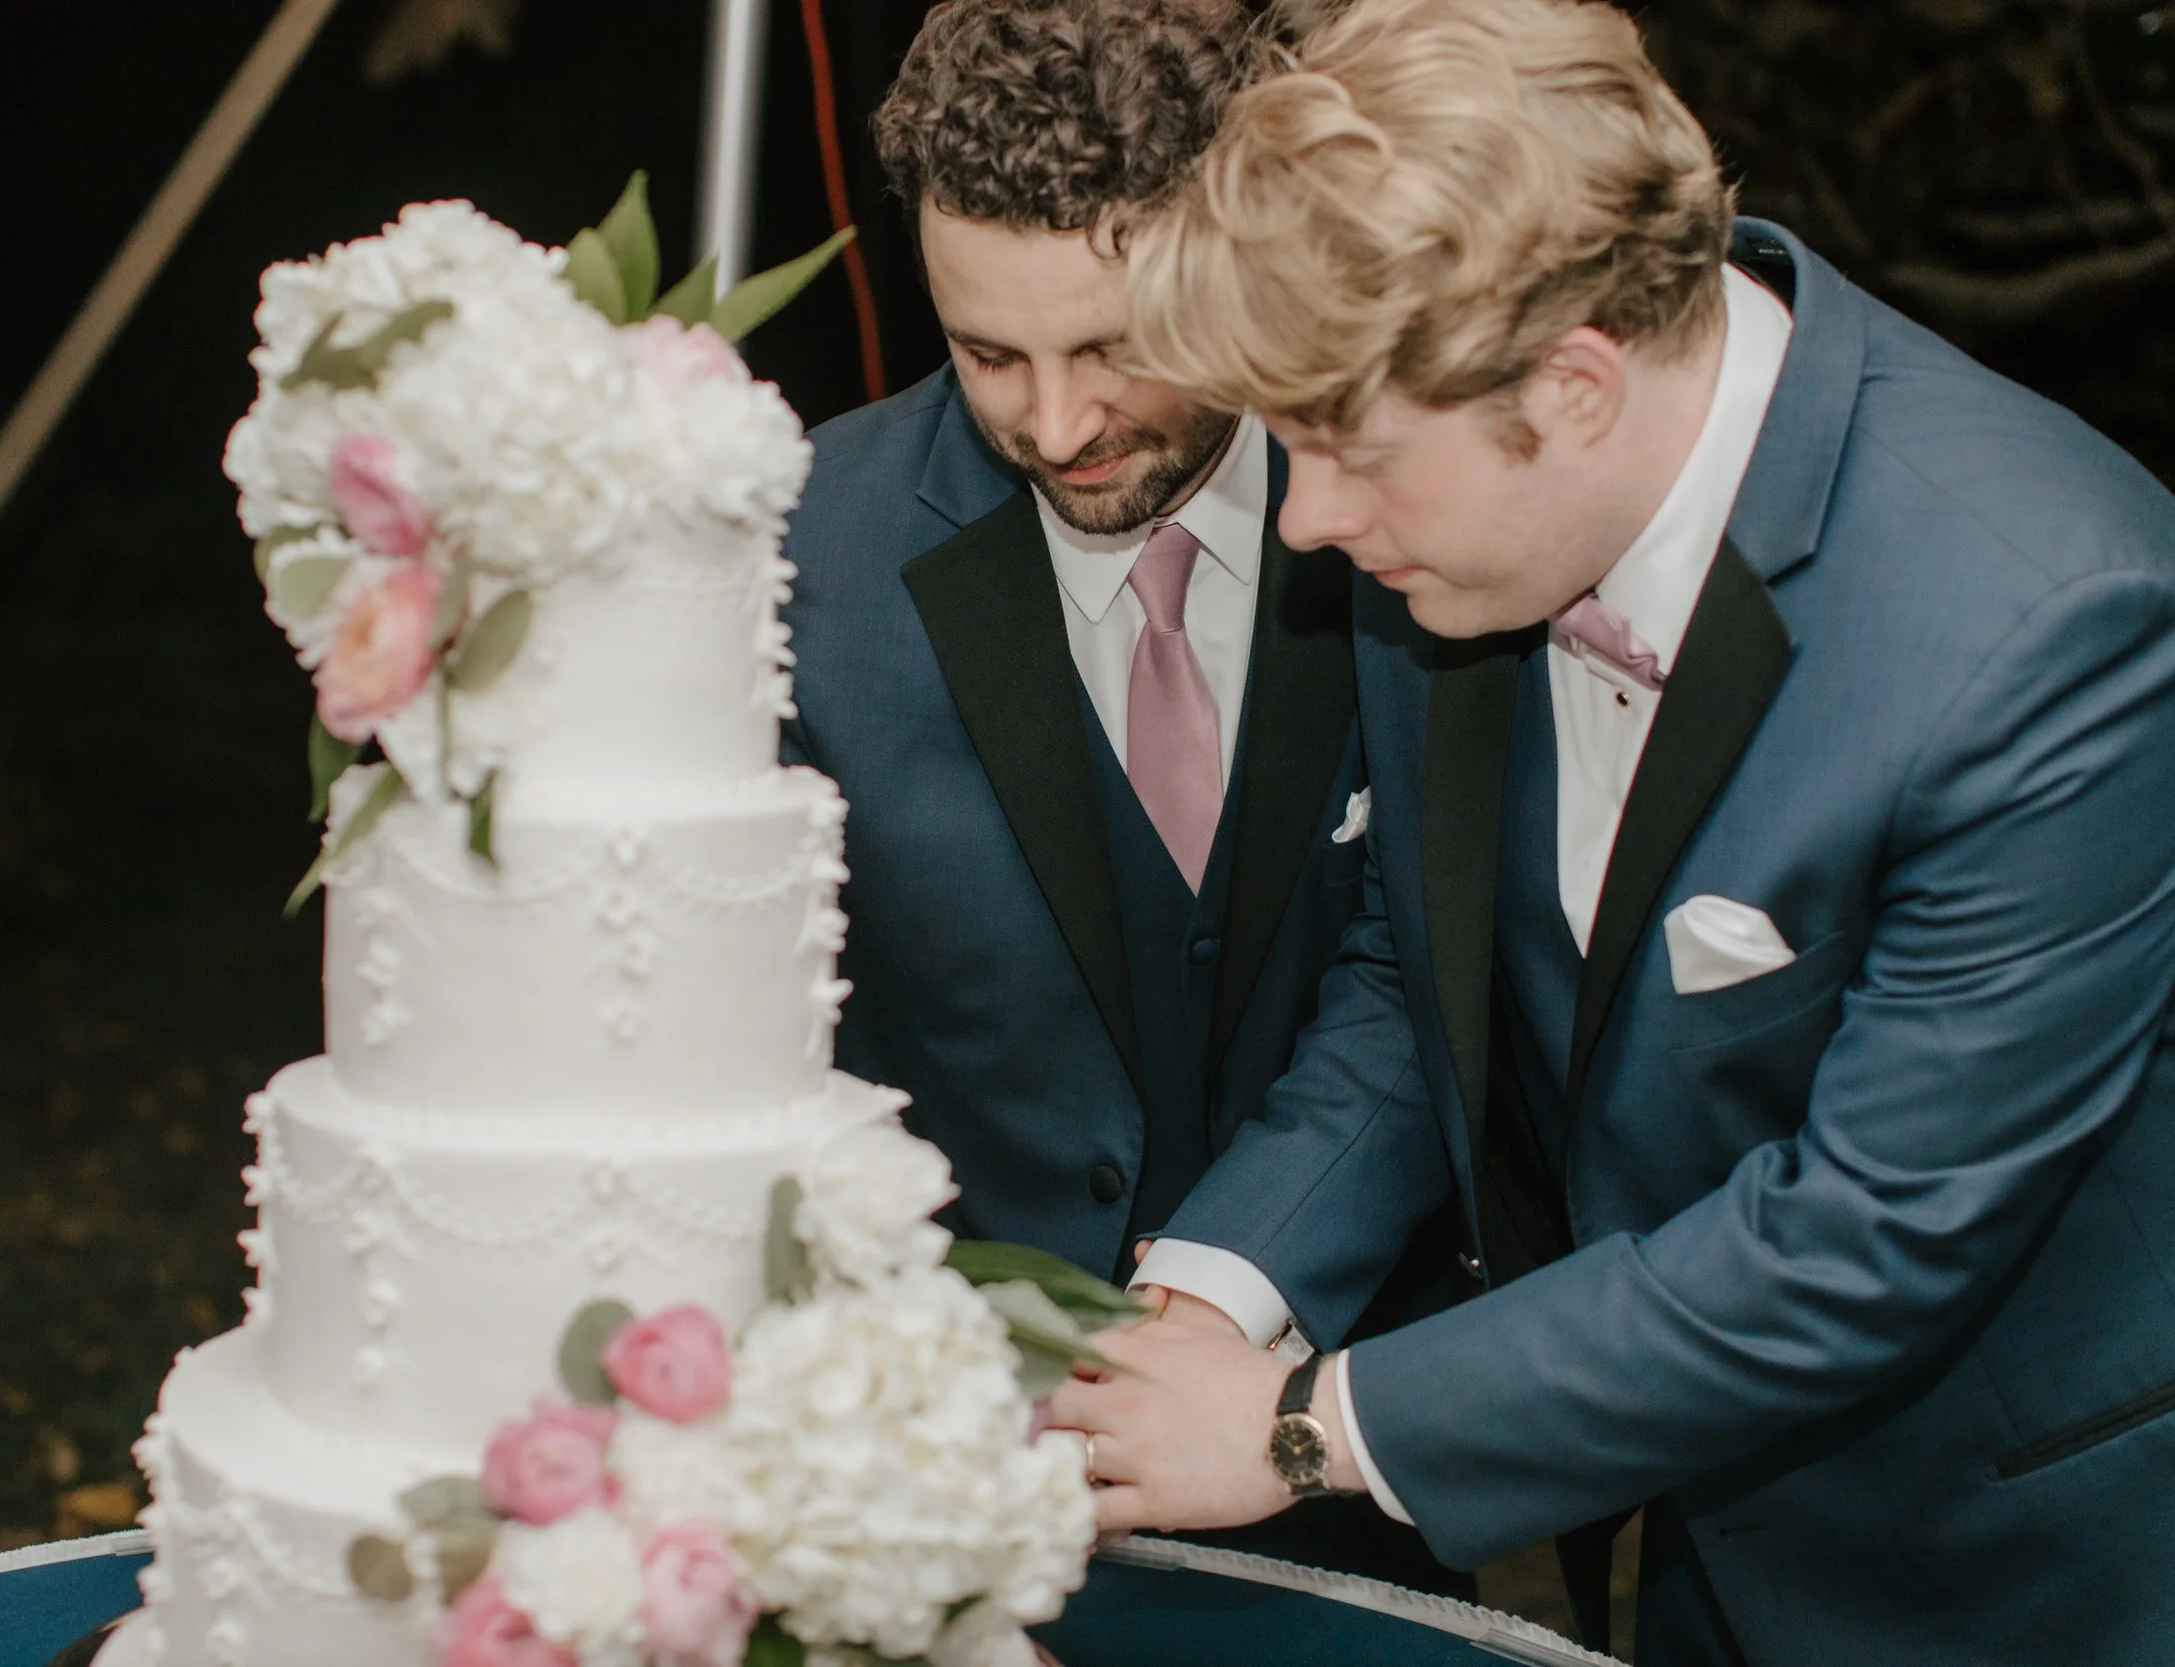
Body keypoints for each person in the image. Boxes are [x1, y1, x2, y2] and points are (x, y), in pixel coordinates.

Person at [1049, 1, 2175, 1662]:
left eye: (1344, 451)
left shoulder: (2051, 623)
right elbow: (1420, 980)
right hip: (1698, 1553)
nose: (1310, 522)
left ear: (1575, 384)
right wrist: (1207, 1301)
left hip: (2013, 1569)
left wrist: (1298, 1426)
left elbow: (1867, 1236)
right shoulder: (1457, 531)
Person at [780, 0, 1463, 1587]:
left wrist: (1224, 1301)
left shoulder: (1424, 505)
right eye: (987, 353)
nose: (1058, 423)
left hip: (1325, 1447)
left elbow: (1445, 957)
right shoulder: (796, 552)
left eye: (1119, 345)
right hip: (914, 1485)